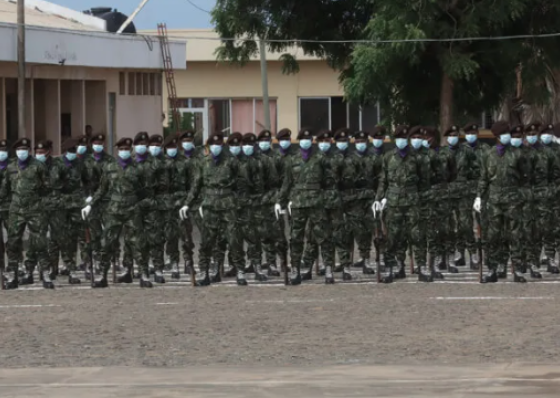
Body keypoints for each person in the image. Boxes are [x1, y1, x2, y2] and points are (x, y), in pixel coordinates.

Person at [82, 137, 151, 288]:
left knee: (138, 243)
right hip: (114, 210)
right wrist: (90, 205)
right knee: (106, 243)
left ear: (131, 150)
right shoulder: (109, 167)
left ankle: (144, 274)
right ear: (117, 151)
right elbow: (102, 189)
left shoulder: (138, 168)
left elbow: (145, 191)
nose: (124, 152)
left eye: (127, 149)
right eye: (121, 149)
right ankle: (103, 276)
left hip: (132, 210)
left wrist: (143, 206)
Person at [179, 132, 245, 286]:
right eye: (213, 144)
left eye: (219, 144)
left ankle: (240, 270)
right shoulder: (203, 163)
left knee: (234, 239)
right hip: (209, 205)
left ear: (222, 145)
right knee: (207, 241)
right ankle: (204, 271)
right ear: (209, 146)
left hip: (228, 205)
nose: (216, 147)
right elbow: (196, 185)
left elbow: (241, 183)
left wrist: (239, 201)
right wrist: (187, 203)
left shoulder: (231, 162)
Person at [276, 128, 334, 285]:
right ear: (299, 141)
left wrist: (326, 198)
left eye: (309, 139)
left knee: (324, 236)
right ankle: (295, 269)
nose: (306, 141)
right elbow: (286, 184)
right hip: (298, 204)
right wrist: (280, 202)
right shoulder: (292, 160)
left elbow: (329, 182)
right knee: (296, 238)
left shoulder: (320, 159)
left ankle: (328, 267)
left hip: (316, 202)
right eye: (303, 139)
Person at [474, 121, 530, 283]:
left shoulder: (518, 154)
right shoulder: (488, 155)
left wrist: (523, 196)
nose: (508, 136)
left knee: (515, 235)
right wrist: (479, 196)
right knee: (492, 237)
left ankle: (518, 270)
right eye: (505, 133)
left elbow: (525, 177)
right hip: (494, 201)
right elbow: (484, 178)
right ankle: (493, 269)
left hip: (513, 200)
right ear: (497, 136)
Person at [375, 125, 430, 282]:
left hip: (413, 201)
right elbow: (383, 180)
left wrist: (423, 201)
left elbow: (424, 181)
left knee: (418, 235)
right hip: (393, 202)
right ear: (395, 140)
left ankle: (422, 267)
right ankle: (393, 267)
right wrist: (378, 200)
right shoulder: (388, 157)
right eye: (398, 138)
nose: (401, 141)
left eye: (404, 138)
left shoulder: (417, 158)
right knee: (393, 236)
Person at [4, 138, 52, 289]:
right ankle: (14, 275)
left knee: (40, 242)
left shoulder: (38, 166)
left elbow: (47, 187)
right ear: (16, 151)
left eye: (25, 149)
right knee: (13, 242)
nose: (22, 152)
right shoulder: (10, 167)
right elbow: (5, 189)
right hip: (16, 210)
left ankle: (45, 273)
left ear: (29, 150)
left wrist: (41, 203)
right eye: (19, 149)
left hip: (35, 209)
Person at [301, 129, 341, 282]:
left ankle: (329, 269)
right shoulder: (311, 158)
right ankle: (308, 268)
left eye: (327, 141)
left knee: (326, 237)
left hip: (329, 202)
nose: (324, 144)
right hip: (314, 203)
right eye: (321, 141)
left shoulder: (334, 158)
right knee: (311, 236)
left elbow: (334, 179)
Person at [444, 123, 480, 270]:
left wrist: (471, 187)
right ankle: (455, 255)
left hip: (464, 194)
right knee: (451, 227)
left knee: (465, 225)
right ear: (446, 138)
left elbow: (476, 170)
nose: (453, 138)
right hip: (447, 194)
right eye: (450, 136)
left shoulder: (466, 151)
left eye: (455, 135)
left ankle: (473, 255)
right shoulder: (442, 153)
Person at [53, 137, 89, 284]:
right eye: (71, 150)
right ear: (65, 151)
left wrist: (87, 198)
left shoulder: (80, 164)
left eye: (74, 150)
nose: (73, 153)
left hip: (77, 205)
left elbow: (87, 181)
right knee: (63, 237)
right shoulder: (58, 164)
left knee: (81, 235)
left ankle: (84, 265)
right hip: (62, 205)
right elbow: (55, 184)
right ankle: (68, 265)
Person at [82, 134, 117, 275]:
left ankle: (110, 258)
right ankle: (95, 259)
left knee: (109, 233)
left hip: (106, 201)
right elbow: (82, 181)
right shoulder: (86, 161)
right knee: (94, 233)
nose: (98, 144)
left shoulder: (110, 160)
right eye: (96, 142)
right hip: (91, 202)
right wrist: (86, 197)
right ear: (92, 144)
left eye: (100, 142)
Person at [425, 126, 457, 276]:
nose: (426, 140)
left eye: (428, 137)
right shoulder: (421, 155)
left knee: (448, 229)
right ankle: (435, 261)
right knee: (433, 230)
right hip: (429, 196)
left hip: (444, 194)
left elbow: (453, 173)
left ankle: (449, 258)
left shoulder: (447, 153)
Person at [349, 130, 378, 275]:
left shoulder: (374, 157)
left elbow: (380, 177)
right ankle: (362, 256)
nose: (361, 144)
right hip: (355, 198)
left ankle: (369, 259)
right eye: (358, 142)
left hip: (371, 197)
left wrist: (379, 196)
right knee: (358, 229)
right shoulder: (350, 159)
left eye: (363, 141)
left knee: (371, 228)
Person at [256, 129, 282, 277]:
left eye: (267, 141)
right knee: (255, 234)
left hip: (271, 199)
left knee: (272, 233)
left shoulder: (277, 157)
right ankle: (256, 263)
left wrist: (279, 199)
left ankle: (272, 262)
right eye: (262, 141)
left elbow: (280, 180)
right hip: (255, 200)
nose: (264, 143)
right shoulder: (253, 158)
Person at [144, 134, 167, 284]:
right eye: (153, 144)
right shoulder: (138, 161)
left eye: (158, 145)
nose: (155, 147)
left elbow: (164, 184)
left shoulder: (162, 163)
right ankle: (143, 268)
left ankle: (158, 268)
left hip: (156, 204)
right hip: (139, 204)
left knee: (157, 238)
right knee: (140, 239)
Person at [0, 140, 10, 276]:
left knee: (13, 237)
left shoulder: (13, 166)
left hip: (9, 206)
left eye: (4, 149)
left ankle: (16, 263)